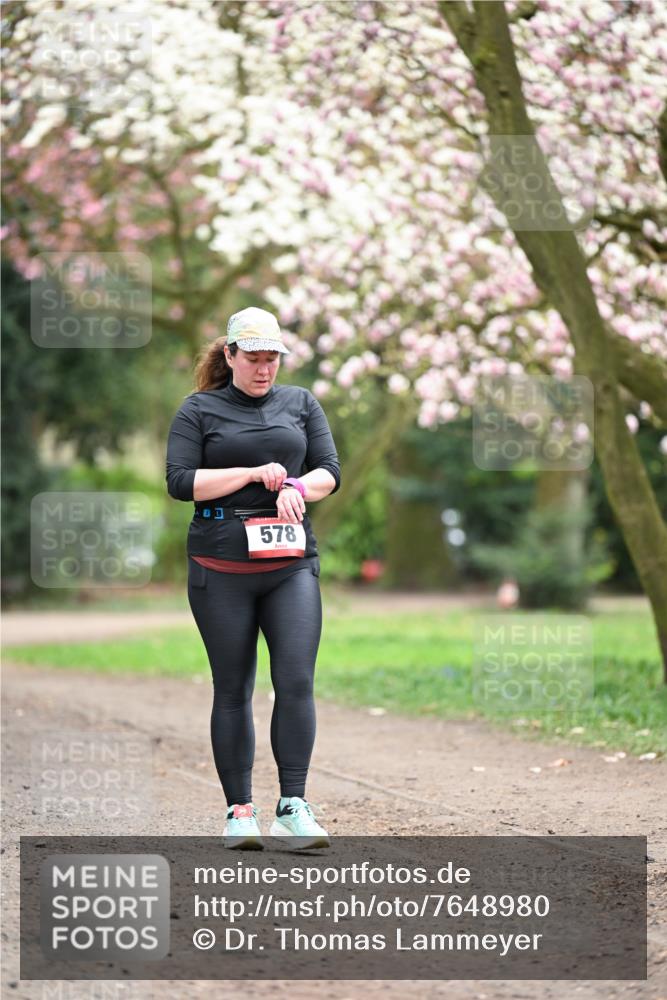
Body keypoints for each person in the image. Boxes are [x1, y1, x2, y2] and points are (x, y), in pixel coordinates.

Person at [165, 306, 341, 850]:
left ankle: (293, 805)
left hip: (290, 566)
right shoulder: (199, 409)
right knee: (234, 689)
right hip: (220, 568)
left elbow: (329, 470)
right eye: (255, 359)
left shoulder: (301, 403)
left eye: (273, 360)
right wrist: (250, 473)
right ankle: (240, 812)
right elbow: (179, 482)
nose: (265, 370)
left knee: (295, 681)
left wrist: (297, 487)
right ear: (231, 355)